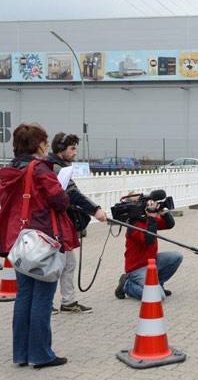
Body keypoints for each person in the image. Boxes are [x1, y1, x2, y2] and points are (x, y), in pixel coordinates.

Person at [9, 123, 79, 368]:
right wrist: (64, 192)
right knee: (42, 298)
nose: (48, 145)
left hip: (22, 239)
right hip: (44, 240)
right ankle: (40, 355)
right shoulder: (40, 169)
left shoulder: (12, 167)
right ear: (37, 144)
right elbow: (59, 200)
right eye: (45, 141)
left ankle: (21, 354)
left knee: (23, 296)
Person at [45, 132, 107, 314]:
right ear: (60, 149)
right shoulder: (55, 168)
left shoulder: (61, 166)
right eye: (72, 148)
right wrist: (95, 210)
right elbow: (72, 193)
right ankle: (46, 302)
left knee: (68, 263)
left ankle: (68, 301)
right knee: (54, 264)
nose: (75, 152)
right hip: (52, 226)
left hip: (61, 224)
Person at [115, 193, 183, 300]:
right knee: (158, 296)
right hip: (137, 268)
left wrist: (163, 213)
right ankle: (127, 285)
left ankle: (158, 283)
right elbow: (149, 240)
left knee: (177, 256)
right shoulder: (133, 226)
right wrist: (152, 218)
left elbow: (169, 225)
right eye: (138, 202)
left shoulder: (147, 219)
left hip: (151, 262)